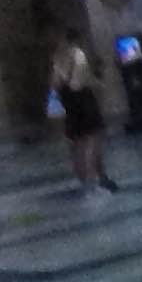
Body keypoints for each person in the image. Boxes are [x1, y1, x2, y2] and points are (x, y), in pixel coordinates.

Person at [49, 31, 116, 195]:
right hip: (83, 101)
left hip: (69, 103)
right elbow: (80, 82)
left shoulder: (58, 60)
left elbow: (55, 84)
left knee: (77, 142)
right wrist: (99, 83)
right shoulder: (78, 55)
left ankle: (86, 179)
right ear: (78, 40)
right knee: (93, 139)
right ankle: (93, 180)